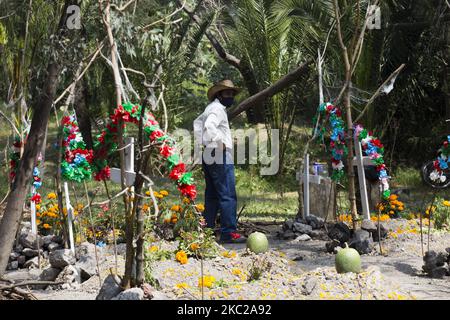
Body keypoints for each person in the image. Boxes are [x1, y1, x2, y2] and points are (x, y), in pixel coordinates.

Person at [193, 79, 246, 243]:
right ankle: (228, 233)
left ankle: (206, 231)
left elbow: (197, 124)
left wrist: (204, 143)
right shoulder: (217, 109)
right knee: (228, 195)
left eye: (232, 93)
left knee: (212, 196)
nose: (230, 96)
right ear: (219, 94)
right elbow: (209, 126)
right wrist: (219, 142)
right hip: (218, 154)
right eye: (227, 93)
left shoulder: (210, 108)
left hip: (208, 153)